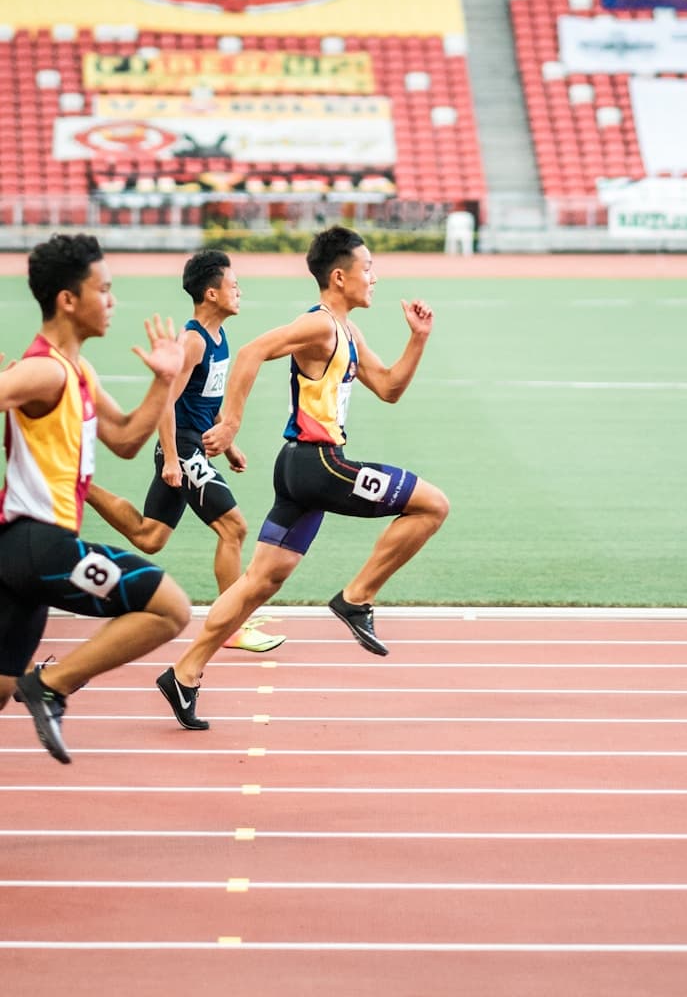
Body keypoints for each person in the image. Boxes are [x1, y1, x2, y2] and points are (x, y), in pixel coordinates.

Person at [156, 225, 449, 730]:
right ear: (339, 277)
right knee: (433, 505)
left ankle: (184, 673)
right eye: (368, 269)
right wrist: (230, 422)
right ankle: (356, 599)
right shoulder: (317, 326)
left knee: (257, 583)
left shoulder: (349, 331)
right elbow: (250, 353)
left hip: (300, 471)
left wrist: (417, 340)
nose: (375, 278)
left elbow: (390, 387)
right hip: (319, 465)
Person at [0, 232, 192, 763]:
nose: (112, 301)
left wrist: (164, 381)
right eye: (104, 290)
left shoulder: (78, 370)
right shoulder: (43, 370)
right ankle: (52, 685)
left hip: (19, 557)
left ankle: (43, 684)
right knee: (170, 608)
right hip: (43, 548)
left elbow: (129, 440)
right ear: (68, 300)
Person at [85, 249, 285, 653]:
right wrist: (174, 458)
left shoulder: (219, 336)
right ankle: (230, 625)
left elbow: (203, 402)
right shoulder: (192, 342)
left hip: (196, 445)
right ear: (211, 294)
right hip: (183, 447)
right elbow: (165, 403)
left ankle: (82, 485)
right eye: (233, 285)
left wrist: (230, 446)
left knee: (151, 536)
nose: (239, 291)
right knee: (234, 528)